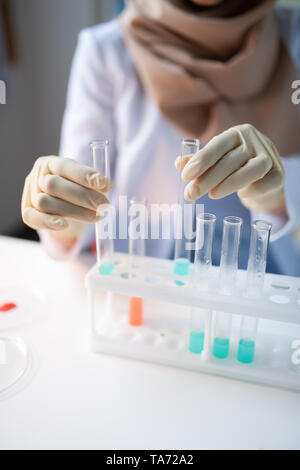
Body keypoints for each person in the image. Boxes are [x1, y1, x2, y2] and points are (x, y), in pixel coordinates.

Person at [21, 0, 300, 275]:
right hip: (149, 290)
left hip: (271, 289)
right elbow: (76, 206)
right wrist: (62, 212)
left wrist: (278, 197)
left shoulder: (295, 36)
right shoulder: (105, 49)